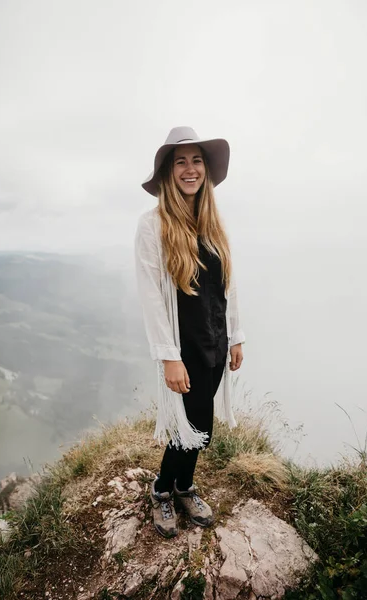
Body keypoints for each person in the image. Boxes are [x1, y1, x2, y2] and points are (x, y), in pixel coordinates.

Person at [134, 126, 245, 538]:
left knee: (201, 426)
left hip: (214, 343)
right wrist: (168, 356)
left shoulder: (213, 224)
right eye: (180, 161)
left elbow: (229, 285)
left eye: (196, 160)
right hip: (183, 348)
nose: (190, 168)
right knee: (187, 426)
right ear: (168, 171)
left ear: (206, 169)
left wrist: (236, 336)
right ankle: (164, 490)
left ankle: (183, 486)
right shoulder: (153, 226)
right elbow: (151, 296)